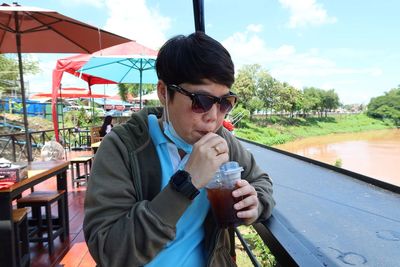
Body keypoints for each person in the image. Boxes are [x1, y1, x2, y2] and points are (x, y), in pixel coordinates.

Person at [83, 32, 275, 267]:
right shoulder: (124, 147)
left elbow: (261, 182)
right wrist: (186, 184)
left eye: (225, 102)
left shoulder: (220, 140)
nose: (213, 118)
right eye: (201, 101)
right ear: (164, 92)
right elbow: (109, 250)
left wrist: (256, 205)